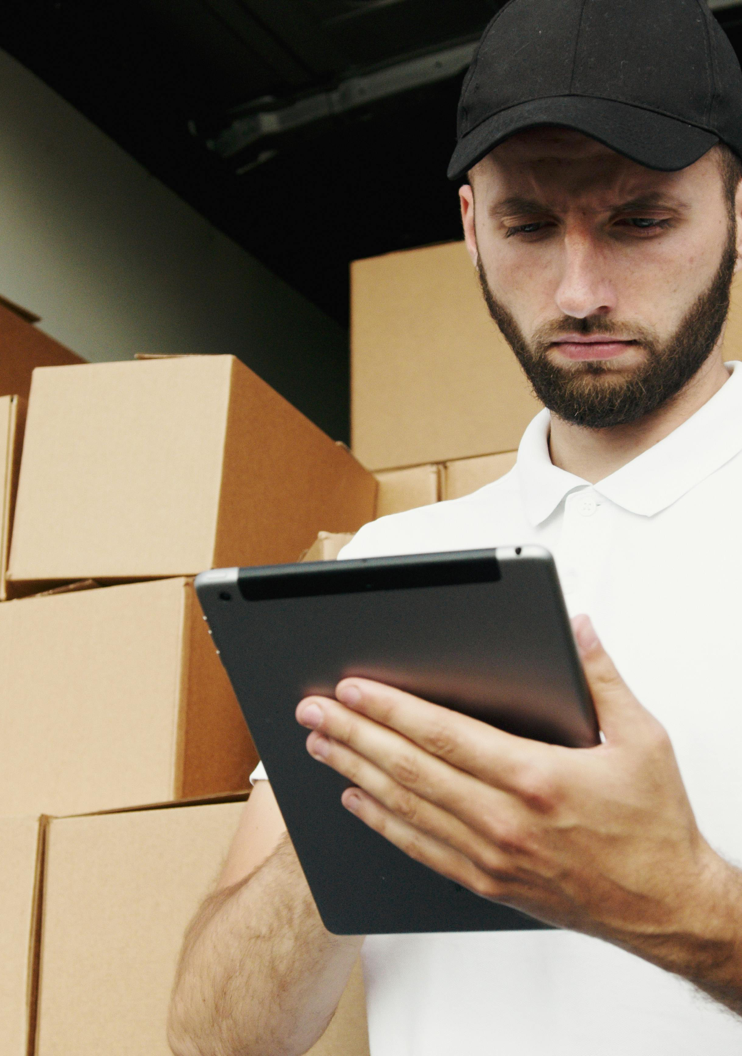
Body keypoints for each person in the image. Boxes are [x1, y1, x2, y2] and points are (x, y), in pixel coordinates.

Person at [167, 0, 742, 1053]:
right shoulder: (391, 568)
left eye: (640, 220)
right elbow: (219, 1039)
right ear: (472, 227)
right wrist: (366, 794)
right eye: (529, 225)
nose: (579, 292)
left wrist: (681, 899)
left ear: (737, 210)